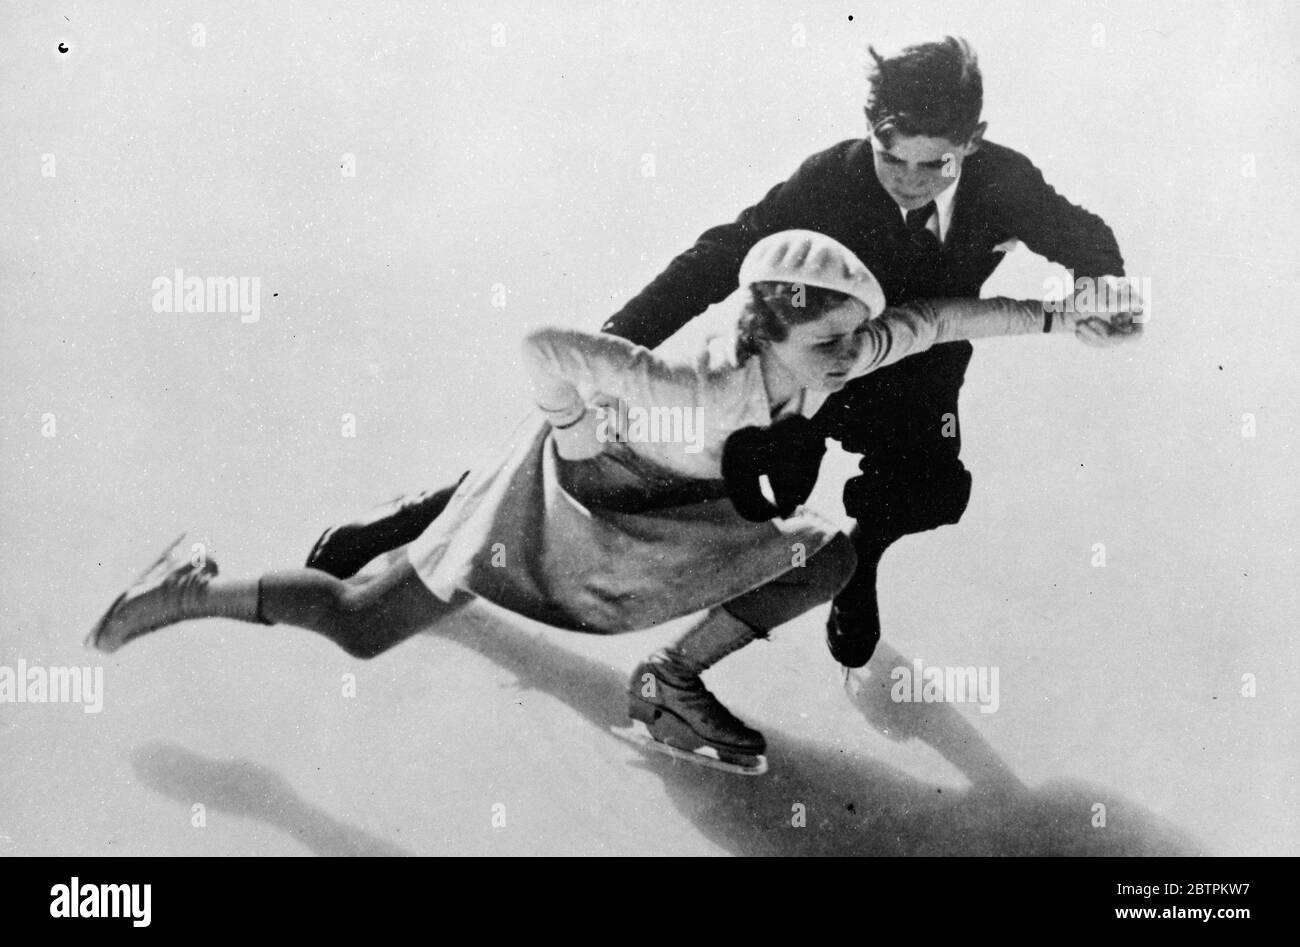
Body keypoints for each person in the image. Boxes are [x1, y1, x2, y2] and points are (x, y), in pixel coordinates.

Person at [87, 231, 1139, 773]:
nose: (848, 361)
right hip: (560, 503)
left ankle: (671, 680)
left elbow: (944, 315)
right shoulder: (693, 383)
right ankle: (190, 586)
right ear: (767, 330)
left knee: (826, 552)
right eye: (829, 345)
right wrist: (576, 431)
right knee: (363, 626)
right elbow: (545, 348)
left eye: (853, 338)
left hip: (668, 517)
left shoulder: (838, 342)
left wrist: (1060, 318)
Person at [304, 36, 1129, 673]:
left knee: (928, 487)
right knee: (657, 474)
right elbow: (721, 252)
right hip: (797, 372)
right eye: (891, 153)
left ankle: (860, 564)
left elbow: (1086, 239)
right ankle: (428, 516)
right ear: (867, 130)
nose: (910, 178)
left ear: (973, 142)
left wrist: (1106, 292)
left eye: (935, 162)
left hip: (915, 369)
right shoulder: (831, 180)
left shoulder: (1006, 183)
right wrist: (621, 341)